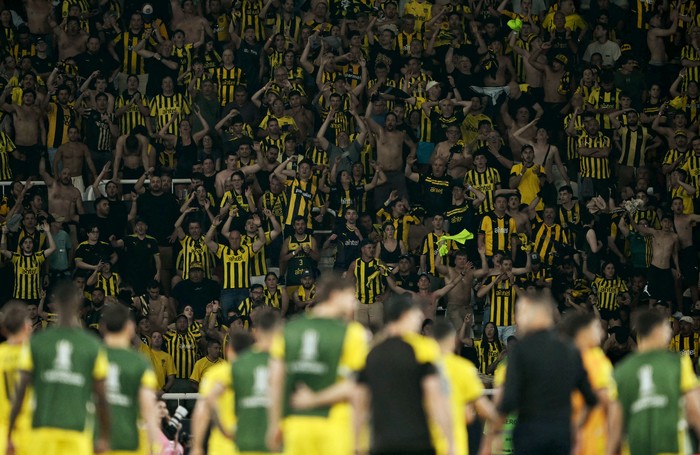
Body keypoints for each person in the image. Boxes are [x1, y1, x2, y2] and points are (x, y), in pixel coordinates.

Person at [268, 275, 368, 455]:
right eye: (351, 298)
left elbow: (275, 382)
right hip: (335, 428)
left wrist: (274, 424)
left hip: (295, 426)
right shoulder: (353, 333)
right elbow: (358, 388)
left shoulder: (288, 330)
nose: (355, 304)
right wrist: (359, 439)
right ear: (336, 295)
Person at [7, 281, 111, 455]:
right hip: (77, 432)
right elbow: (102, 397)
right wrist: (105, 437)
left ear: (55, 303)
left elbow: (21, 392)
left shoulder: (37, 343)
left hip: (42, 431)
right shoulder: (92, 345)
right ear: (79, 303)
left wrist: (10, 433)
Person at [496, 291, 598, 455]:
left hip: (529, 435)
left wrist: (492, 436)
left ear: (535, 314)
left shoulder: (521, 351)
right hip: (562, 436)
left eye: (521, 312)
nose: (518, 319)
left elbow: (508, 401)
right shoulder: (570, 350)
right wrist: (576, 427)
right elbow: (591, 399)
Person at [355, 294, 454, 455]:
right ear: (405, 314)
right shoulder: (423, 349)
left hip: (381, 443)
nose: (421, 317)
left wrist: (356, 443)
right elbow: (436, 398)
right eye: (417, 313)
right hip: (417, 442)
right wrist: (450, 442)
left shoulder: (371, 352)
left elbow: (360, 402)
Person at [610, 309, 700, 455]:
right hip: (671, 447)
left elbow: (615, 421)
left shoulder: (622, 370)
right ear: (656, 331)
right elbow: (694, 408)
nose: (669, 333)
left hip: (634, 449)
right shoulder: (677, 363)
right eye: (666, 328)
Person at [101, 303, 161, 455]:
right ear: (129, 328)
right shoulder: (139, 362)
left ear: (103, 327)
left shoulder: (92, 357)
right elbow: (148, 407)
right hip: (131, 443)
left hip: (98, 442)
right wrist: (156, 445)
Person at [0, 302, 32, 455]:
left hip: (3, 432)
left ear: (4, 329)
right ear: (28, 327)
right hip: (31, 431)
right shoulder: (36, 356)